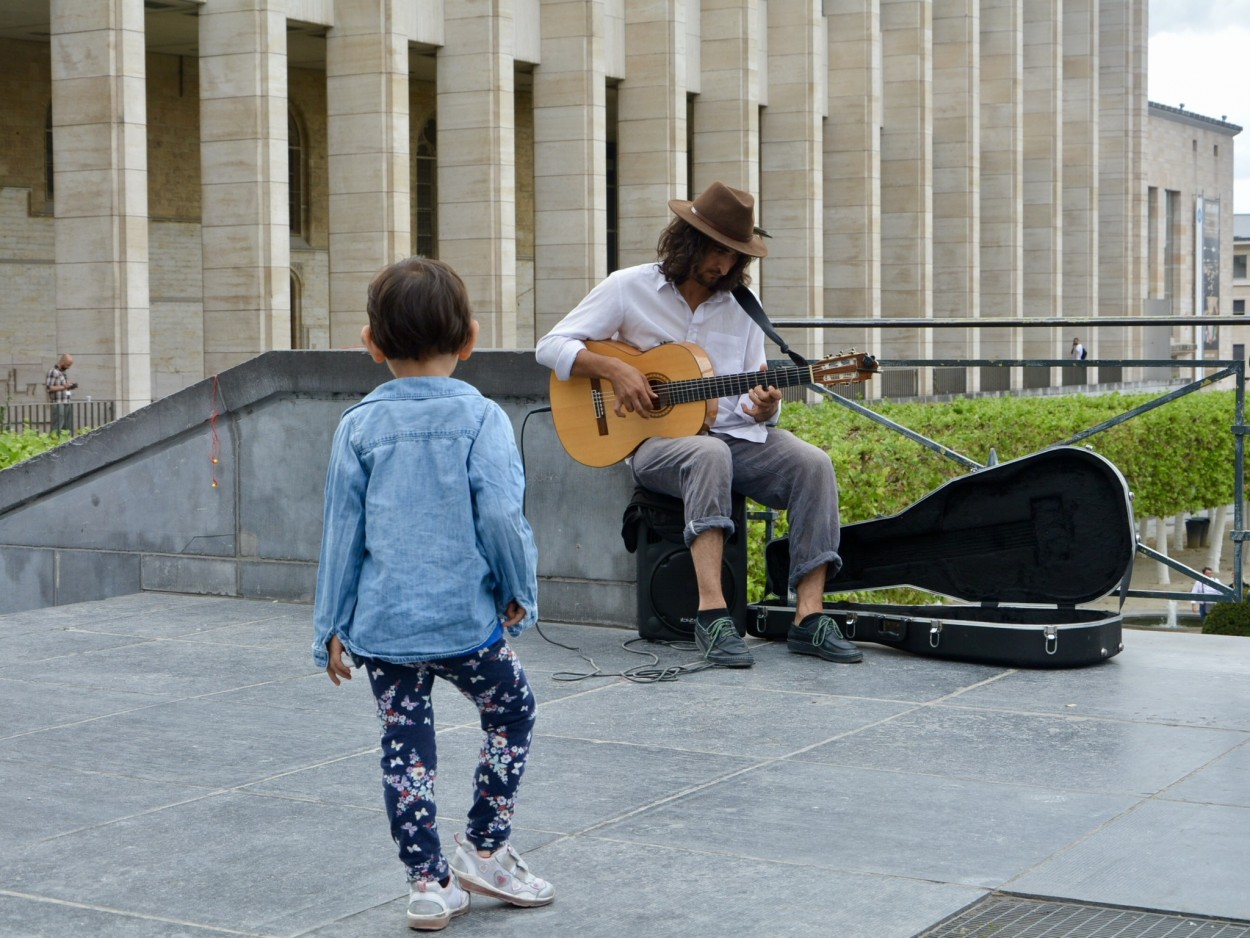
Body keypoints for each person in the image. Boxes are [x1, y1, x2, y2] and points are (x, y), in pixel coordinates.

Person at [312, 257, 554, 931]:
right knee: (511, 713)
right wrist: (519, 589)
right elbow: (502, 517)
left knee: (404, 741)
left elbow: (341, 533)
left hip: (383, 627)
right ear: (470, 338)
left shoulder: (357, 426)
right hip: (464, 622)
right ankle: (484, 845)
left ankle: (426, 883)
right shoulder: (483, 420)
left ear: (371, 343)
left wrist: (330, 626)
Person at [535, 180, 860, 669]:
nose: (725, 266)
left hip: (734, 436)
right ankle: (712, 614)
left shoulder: (744, 309)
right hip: (654, 443)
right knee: (708, 453)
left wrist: (767, 408)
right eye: (716, 251)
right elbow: (550, 346)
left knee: (813, 464)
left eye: (734, 256)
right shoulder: (629, 288)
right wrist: (616, 369)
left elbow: (755, 394)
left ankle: (809, 618)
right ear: (686, 240)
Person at [45, 353, 77, 433]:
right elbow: (49, 388)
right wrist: (65, 386)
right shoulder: (53, 371)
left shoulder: (62, 372)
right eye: (68, 365)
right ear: (63, 361)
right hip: (58, 403)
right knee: (57, 427)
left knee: (67, 428)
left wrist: (69, 385)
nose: (68, 367)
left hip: (66, 402)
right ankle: (54, 443)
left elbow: (62, 386)